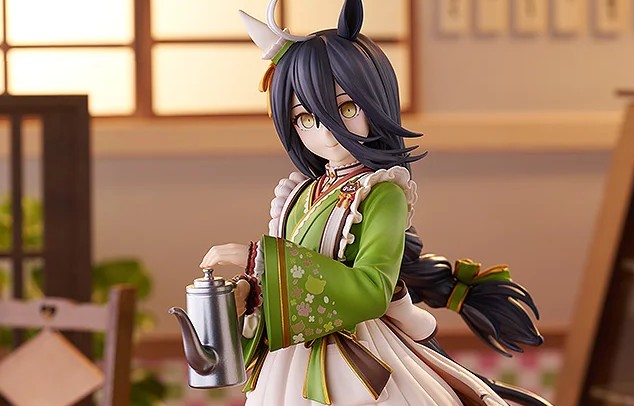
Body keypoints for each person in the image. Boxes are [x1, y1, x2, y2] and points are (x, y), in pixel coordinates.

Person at [198, 1, 549, 404]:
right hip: (294, 356)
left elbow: (373, 288)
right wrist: (249, 290)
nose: (327, 133)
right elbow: (288, 274)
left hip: (358, 350)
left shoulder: (383, 192)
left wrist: (256, 256)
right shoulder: (300, 194)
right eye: (306, 119)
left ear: (374, 101)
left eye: (346, 108)